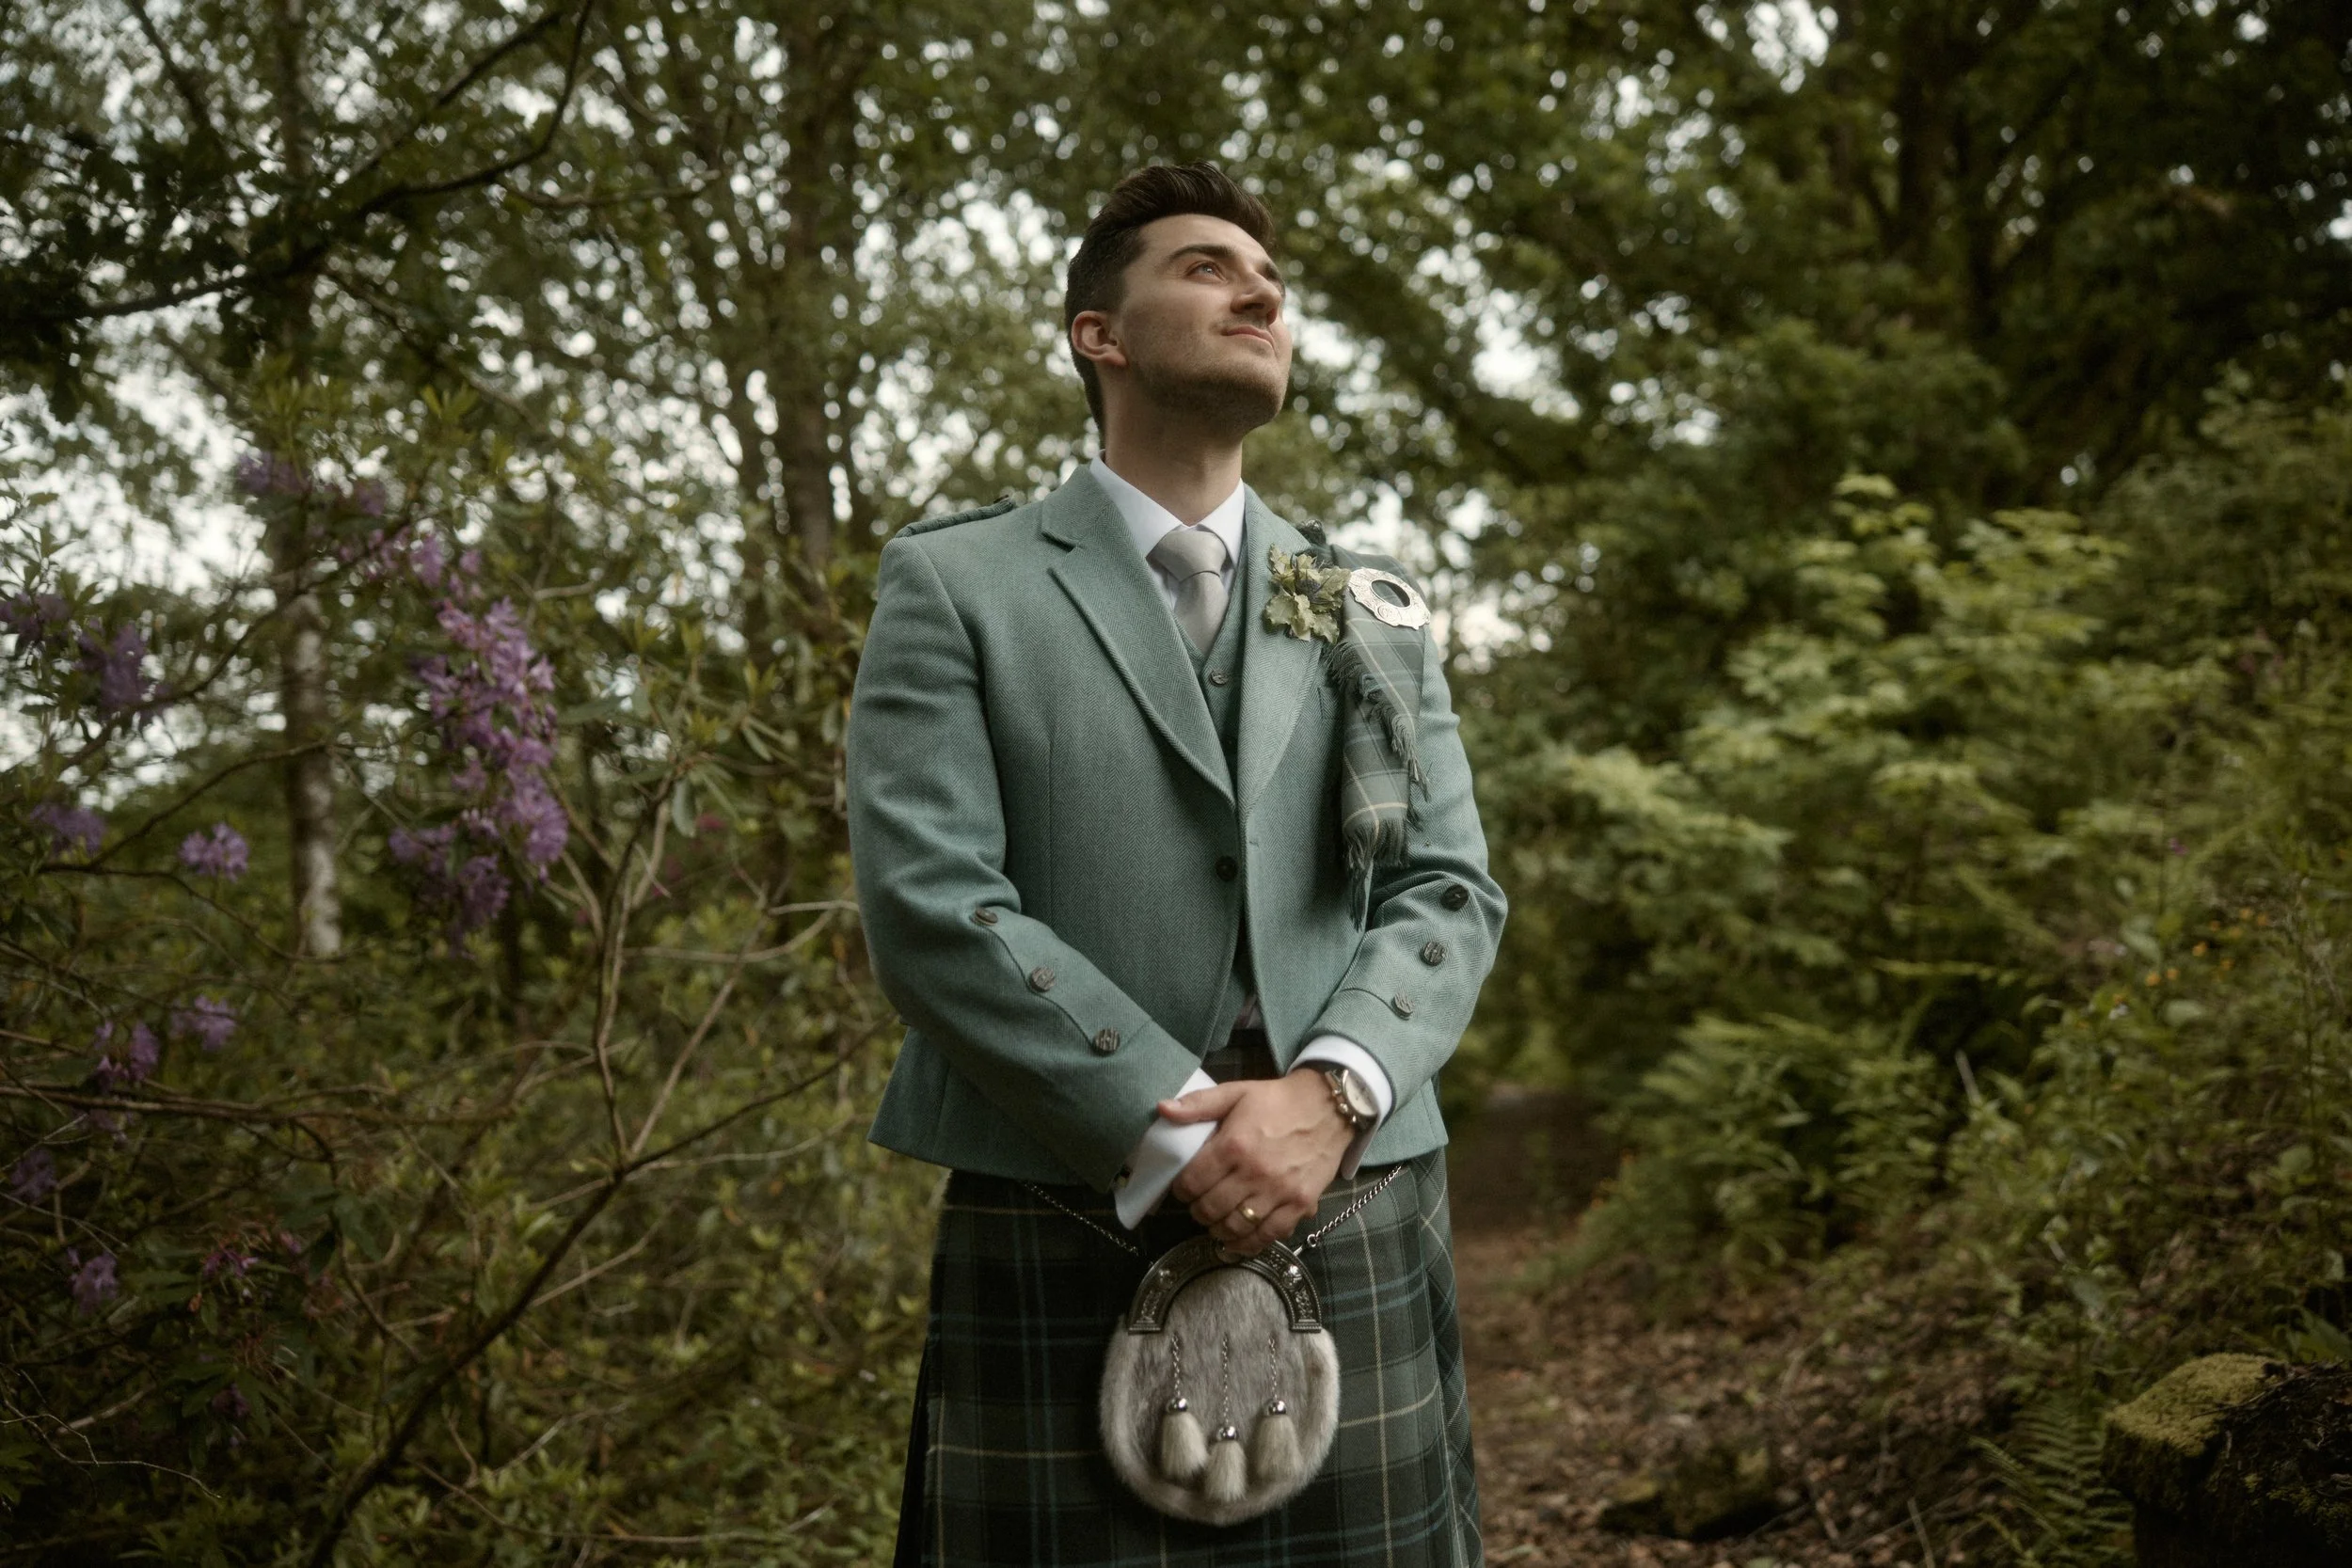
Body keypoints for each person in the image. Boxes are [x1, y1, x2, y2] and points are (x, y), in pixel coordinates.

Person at [848, 161, 1506, 1568]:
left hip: (1353, 1186)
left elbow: (1448, 889)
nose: (1259, 295)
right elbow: (931, 904)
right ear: (1099, 333)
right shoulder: (958, 583)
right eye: (1206, 268)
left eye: (1270, 281)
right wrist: (1171, 1127)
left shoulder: (1370, 602)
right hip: (1064, 1193)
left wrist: (1333, 1093)